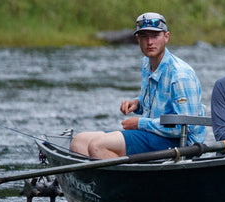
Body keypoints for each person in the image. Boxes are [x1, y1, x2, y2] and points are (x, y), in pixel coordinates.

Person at [69, 12, 205, 159]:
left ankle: (127, 181)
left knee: (98, 145)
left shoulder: (180, 75)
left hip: (179, 144)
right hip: (152, 135)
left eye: (155, 36)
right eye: (144, 36)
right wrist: (138, 103)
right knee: (79, 142)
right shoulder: (147, 63)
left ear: (166, 37)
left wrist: (140, 123)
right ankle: (95, 181)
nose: (150, 42)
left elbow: (185, 126)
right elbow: (155, 100)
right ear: (137, 39)